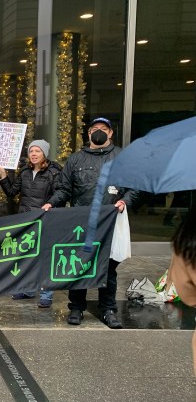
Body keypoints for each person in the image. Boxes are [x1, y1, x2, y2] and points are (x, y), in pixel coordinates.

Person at [42, 117, 136, 329]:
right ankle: (76, 307)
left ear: (111, 133)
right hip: (81, 221)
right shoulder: (76, 160)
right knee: (79, 264)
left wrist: (125, 200)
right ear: (88, 133)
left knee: (108, 267)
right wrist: (51, 203)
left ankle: (108, 309)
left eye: (104, 129)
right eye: (95, 129)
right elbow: (64, 189)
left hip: (110, 221)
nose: (99, 132)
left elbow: (134, 186)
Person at [0, 139, 62, 308]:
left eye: (37, 151)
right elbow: (11, 192)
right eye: (31, 151)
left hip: (44, 219)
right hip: (26, 219)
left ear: (44, 154)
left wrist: (51, 204)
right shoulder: (25, 171)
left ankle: (46, 293)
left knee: (44, 257)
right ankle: (28, 290)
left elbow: (61, 193)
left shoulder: (54, 172)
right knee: (28, 255)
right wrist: (3, 175)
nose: (33, 154)